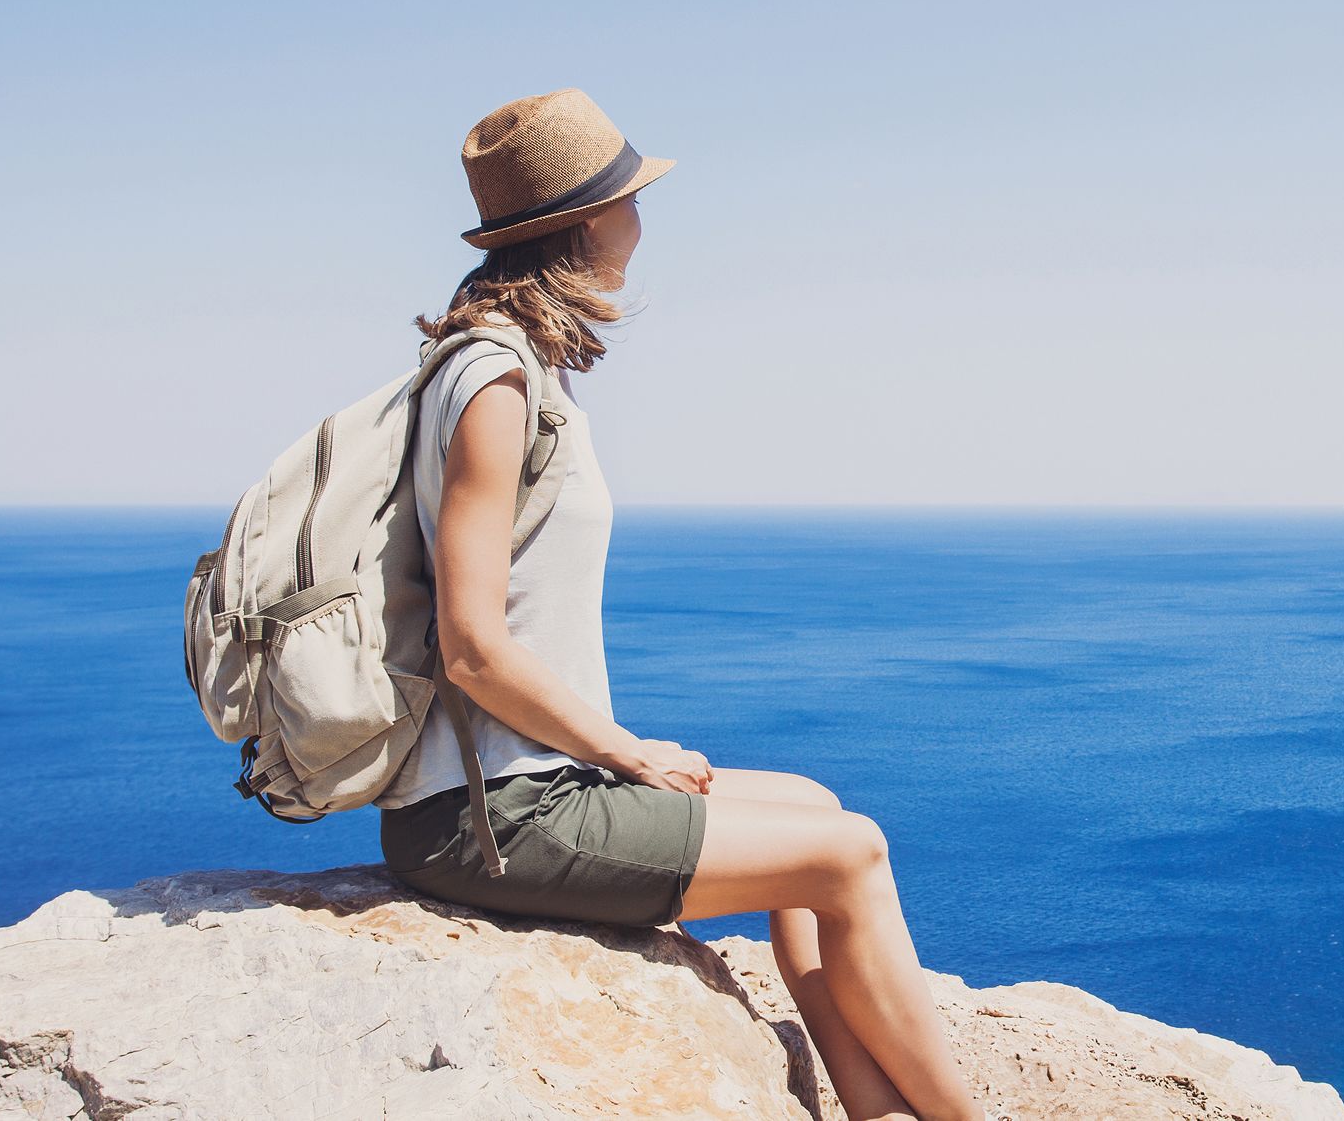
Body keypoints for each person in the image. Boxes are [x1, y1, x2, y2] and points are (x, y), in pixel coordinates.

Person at [372, 88, 986, 1121]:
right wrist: (627, 752)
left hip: (527, 786)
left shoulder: (509, 367)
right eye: (630, 202)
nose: (640, 223)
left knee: (816, 810)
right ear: (583, 225)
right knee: (853, 854)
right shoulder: (495, 382)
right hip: (494, 818)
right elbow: (472, 646)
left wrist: (612, 754)